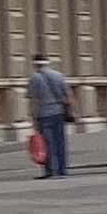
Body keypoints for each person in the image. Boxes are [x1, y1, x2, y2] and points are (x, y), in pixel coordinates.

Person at [26, 51, 73, 179]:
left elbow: (33, 100)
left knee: (47, 143)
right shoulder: (58, 75)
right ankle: (62, 169)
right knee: (60, 141)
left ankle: (50, 170)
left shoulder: (34, 78)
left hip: (44, 114)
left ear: (35, 64)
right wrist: (72, 111)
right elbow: (68, 95)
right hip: (58, 112)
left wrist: (32, 117)